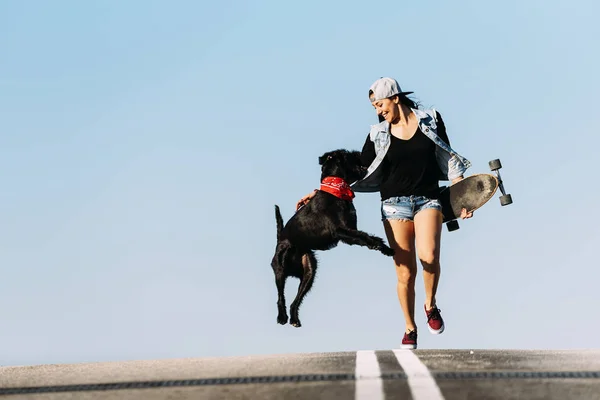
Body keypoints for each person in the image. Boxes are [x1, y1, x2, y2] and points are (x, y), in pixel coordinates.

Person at [295, 77, 473, 349]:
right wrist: (321, 192)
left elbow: (448, 157)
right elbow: (356, 171)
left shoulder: (430, 119)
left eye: (380, 104)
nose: (378, 111)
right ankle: (409, 327)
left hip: (428, 199)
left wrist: (464, 194)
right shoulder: (377, 134)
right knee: (405, 272)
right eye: (375, 107)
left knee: (430, 257)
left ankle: (430, 305)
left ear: (395, 98)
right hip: (394, 204)